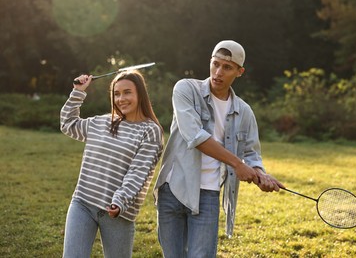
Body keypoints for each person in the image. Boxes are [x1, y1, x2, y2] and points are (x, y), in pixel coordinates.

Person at [153, 40, 284, 257]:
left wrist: (260, 174)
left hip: (208, 194)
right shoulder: (185, 89)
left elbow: (251, 153)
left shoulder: (245, 112)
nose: (218, 72)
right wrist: (237, 163)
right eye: (215, 64)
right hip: (173, 188)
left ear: (239, 72)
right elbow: (195, 136)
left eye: (227, 67)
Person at [60, 70, 163, 257]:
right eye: (116, 93)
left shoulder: (150, 131)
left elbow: (139, 171)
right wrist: (78, 92)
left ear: (140, 93)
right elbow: (68, 124)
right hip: (82, 203)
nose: (121, 98)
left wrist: (120, 200)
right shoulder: (101, 123)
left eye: (127, 92)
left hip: (118, 212)